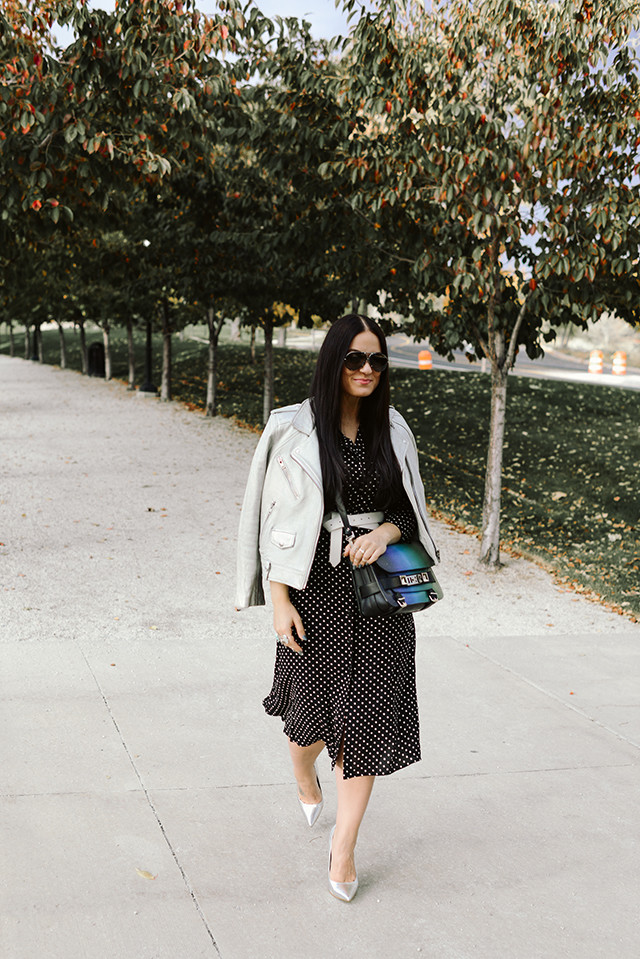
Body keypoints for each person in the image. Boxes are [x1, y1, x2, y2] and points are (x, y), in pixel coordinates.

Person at [235, 313, 439, 902]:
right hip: (313, 591)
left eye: (376, 360)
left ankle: (344, 848)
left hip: (379, 599)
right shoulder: (292, 430)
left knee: (366, 726)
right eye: (354, 359)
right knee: (310, 724)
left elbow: (411, 512)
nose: (367, 370)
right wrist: (278, 602)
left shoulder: (393, 430)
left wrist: (386, 534)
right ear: (333, 362)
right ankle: (303, 772)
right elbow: (272, 523)